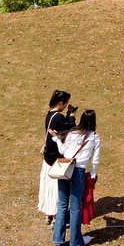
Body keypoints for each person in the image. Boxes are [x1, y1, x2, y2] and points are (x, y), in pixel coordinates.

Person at [51, 109, 100, 246]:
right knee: (75, 207)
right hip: (78, 171)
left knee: (62, 205)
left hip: (64, 169)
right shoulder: (94, 137)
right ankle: (75, 241)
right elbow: (95, 159)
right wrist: (93, 173)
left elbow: (63, 150)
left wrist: (56, 139)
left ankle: (58, 238)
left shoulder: (72, 133)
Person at [39, 90, 76, 224]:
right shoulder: (59, 117)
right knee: (57, 189)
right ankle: (56, 217)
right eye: (66, 103)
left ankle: (48, 214)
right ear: (61, 103)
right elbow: (70, 129)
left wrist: (67, 115)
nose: (66, 105)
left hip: (48, 157)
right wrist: (71, 116)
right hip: (56, 159)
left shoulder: (50, 115)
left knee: (47, 186)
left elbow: (62, 127)